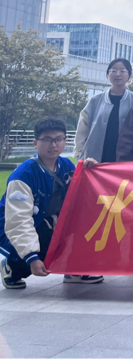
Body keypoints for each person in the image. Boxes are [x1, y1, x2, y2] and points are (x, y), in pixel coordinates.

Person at [1, 118, 102, 289]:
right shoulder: (23, 176)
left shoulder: (66, 166)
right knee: (43, 244)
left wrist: (90, 171)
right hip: (17, 228)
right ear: (35, 143)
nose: (53, 145)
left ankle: (73, 269)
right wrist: (31, 257)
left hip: (50, 223)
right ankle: (11, 267)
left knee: (87, 221)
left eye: (58, 139)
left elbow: (83, 198)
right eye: (47, 139)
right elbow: (18, 221)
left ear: (65, 141)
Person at [74, 58, 133, 163]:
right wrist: (79, 154)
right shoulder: (95, 100)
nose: (117, 74)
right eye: (113, 70)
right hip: (94, 158)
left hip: (126, 158)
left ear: (129, 75)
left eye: (122, 71)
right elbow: (82, 130)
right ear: (108, 74)